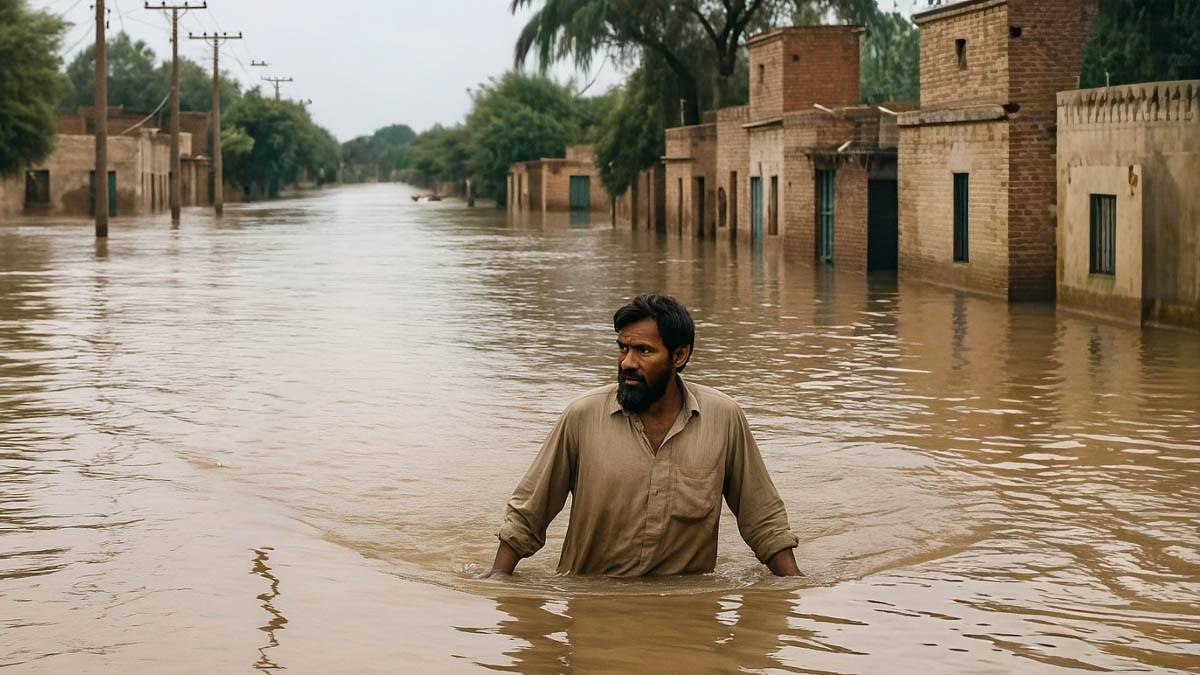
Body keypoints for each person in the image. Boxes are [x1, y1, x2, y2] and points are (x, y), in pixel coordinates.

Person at [489, 294, 801, 577]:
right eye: (623, 348)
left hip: (688, 618)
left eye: (643, 351)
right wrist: (497, 579)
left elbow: (763, 520)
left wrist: (797, 589)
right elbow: (528, 514)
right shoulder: (582, 417)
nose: (627, 362)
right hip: (592, 608)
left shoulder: (724, 419)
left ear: (678, 356)